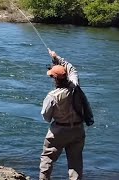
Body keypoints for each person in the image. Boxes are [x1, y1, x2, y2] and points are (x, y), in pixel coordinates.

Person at [39, 49, 86, 180]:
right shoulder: (75, 86)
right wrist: (56, 57)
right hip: (78, 130)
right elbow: (72, 69)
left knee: (47, 158)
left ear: (54, 79)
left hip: (59, 131)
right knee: (75, 162)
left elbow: (46, 118)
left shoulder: (52, 97)